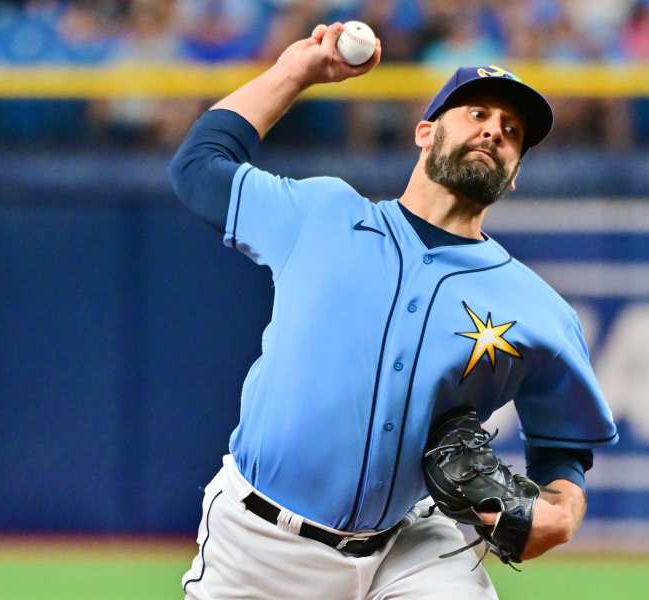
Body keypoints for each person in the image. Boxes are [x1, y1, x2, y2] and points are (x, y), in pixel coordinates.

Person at [169, 22, 617, 600]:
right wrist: (294, 73)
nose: (494, 132)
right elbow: (199, 167)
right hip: (261, 545)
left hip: (411, 545)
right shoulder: (322, 214)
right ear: (425, 132)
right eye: (477, 113)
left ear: (514, 174)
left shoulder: (538, 309)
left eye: (511, 131)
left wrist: (563, 509)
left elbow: (563, 447)